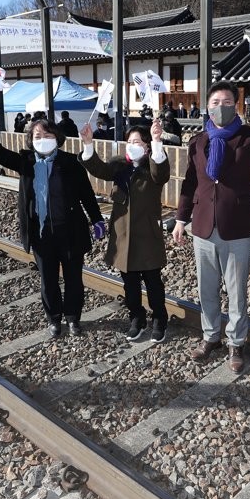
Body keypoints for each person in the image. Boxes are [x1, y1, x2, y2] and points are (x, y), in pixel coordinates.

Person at [173, 81, 250, 373]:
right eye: (214, 102)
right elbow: (190, 182)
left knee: (236, 291)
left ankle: (236, 342)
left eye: (225, 102)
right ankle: (211, 337)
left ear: (235, 105)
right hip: (203, 225)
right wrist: (181, 219)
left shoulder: (249, 135)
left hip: (238, 224)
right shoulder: (198, 140)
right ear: (206, 106)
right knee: (206, 288)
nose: (219, 107)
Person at [0, 103, 105, 338]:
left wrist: (96, 219)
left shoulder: (71, 162)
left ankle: (73, 318)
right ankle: (54, 319)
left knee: (74, 279)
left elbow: (86, 194)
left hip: (70, 232)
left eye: (47, 134)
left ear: (57, 137)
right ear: (31, 140)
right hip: (41, 234)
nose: (42, 139)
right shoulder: (26, 162)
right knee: (48, 280)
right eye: (37, 135)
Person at [79, 119, 171, 342]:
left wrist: (158, 142)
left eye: (138, 141)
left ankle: (159, 319)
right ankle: (136, 318)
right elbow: (98, 168)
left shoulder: (153, 165)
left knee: (153, 282)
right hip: (123, 237)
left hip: (147, 236)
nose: (132, 145)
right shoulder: (120, 165)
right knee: (130, 284)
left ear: (147, 146)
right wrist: (88, 144)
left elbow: (162, 174)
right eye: (129, 141)